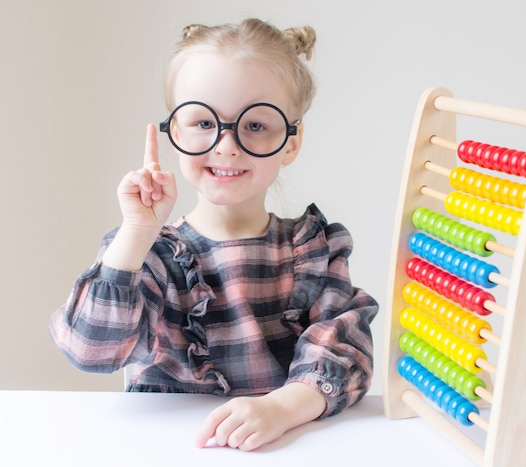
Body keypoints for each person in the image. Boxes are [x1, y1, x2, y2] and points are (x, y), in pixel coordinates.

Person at [49, 17, 378, 451]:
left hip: (283, 450)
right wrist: (136, 232)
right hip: (171, 450)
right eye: (204, 123)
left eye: (255, 125)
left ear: (291, 143)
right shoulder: (149, 252)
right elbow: (90, 352)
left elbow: (346, 349)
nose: (227, 145)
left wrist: (283, 407)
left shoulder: (312, 249)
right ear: (175, 132)